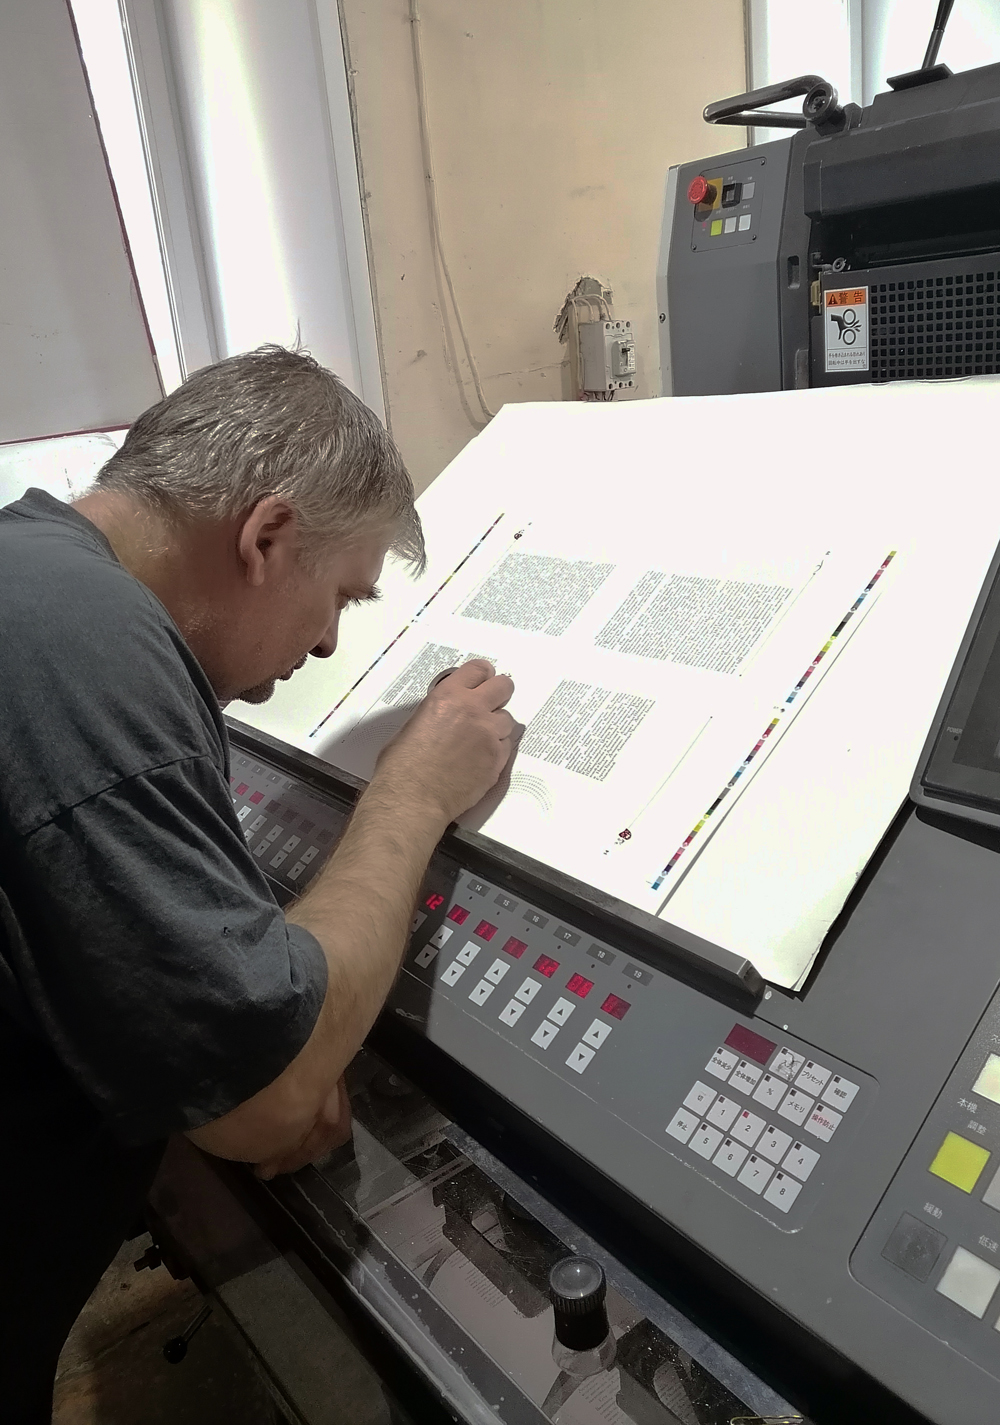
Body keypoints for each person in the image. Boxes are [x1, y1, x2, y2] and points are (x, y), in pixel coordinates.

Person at [0, 345, 515, 1423]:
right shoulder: (88, 647)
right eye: (341, 597)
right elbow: (265, 1100)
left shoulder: (34, 572)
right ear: (266, 537)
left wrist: (244, 1011)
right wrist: (414, 791)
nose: (328, 643)